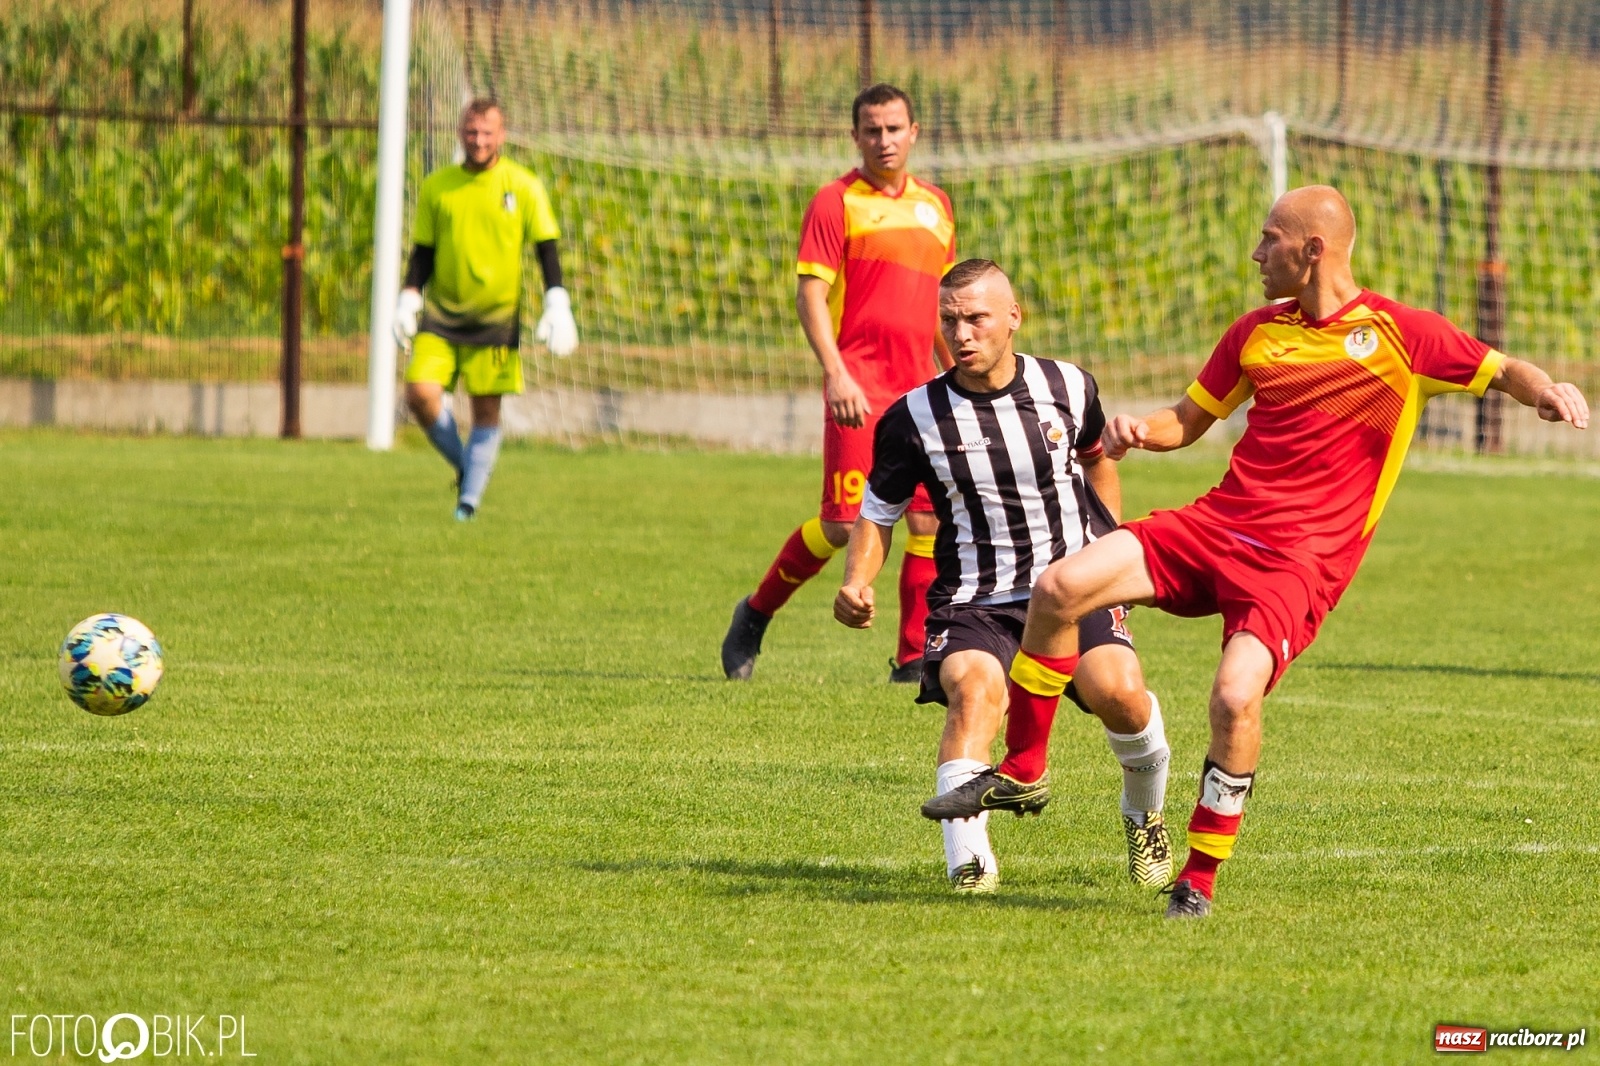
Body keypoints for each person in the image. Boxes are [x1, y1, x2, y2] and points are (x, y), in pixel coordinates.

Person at [929, 186, 1589, 918]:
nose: (1255, 254)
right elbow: (1188, 419)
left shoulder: (1404, 334)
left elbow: (1499, 368)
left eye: (1269, 240)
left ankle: (1199, 879)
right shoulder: (1255, 333)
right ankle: (1024, 770)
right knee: (1060, 587)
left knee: (1234, 697)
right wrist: (1140, 430)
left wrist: (1546, 390)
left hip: (1298, 563)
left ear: (1313, 251)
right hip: (1217, 525)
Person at [834, 260, 1173, 894]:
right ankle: (970, 863)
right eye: (950, 321)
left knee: (1123, 695)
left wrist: (1105, 551)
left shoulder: (1070, 387)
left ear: (1013, 317)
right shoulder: (914, 417)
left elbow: (1098, 461)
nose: (962, 334)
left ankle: (1144, 817)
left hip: (1071, 592)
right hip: (976, 601)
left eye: (976, 318)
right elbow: (878, 513)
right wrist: (857, 582)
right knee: (974, 693)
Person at [721, 84, 955, 683]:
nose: (885, 140)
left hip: (920, 393)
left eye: (895, 128)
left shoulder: (937, 207)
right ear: (856, 136)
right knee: (843, 525)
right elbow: (810, 296)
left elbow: (942, 307)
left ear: (914, 132)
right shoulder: (835, 202)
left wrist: (956, 375)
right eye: (872, 130)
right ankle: (754, 611)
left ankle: (911, 658)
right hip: (860, 389)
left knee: (927, 520)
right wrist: (836, 373)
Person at [393, 98, 578, 521]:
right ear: (460, 132)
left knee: (485, 410)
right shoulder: (438, 186)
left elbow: (546, 247)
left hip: (496, 319)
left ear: (502, 135)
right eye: (472, 131)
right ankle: (468, 468)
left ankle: (467, 504)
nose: (478, 140)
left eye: (487, 133)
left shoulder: (523, 184)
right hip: (441, 317)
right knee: (419, 394)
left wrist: (558, 300)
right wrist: (408, 298)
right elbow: (423, 251)